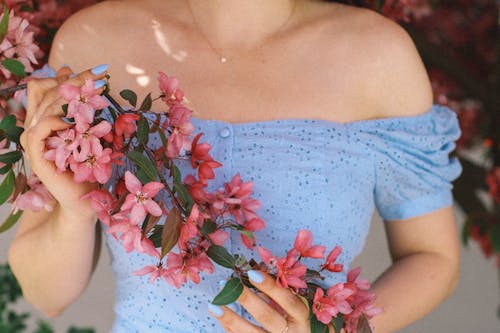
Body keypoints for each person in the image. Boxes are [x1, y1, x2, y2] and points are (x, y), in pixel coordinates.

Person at [7, 0, 462, 332]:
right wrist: (75, 208)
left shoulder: (378, 56)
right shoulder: (94, 44)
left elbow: (433, 257)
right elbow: (47, 295)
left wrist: (340, 329)